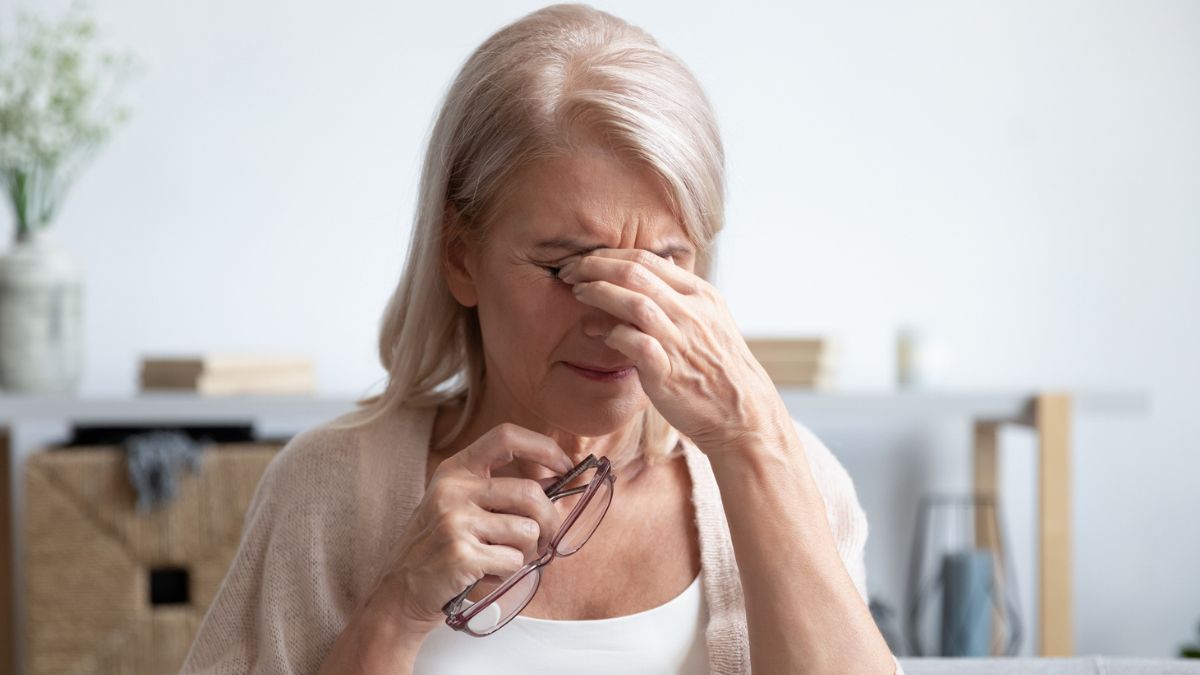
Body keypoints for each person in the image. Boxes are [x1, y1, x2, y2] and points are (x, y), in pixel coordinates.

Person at [181, 4, 905, 674]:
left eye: (664, 265)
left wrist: (753, 442)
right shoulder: (328, 487)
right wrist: (395, 610)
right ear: (460, 256)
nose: (617, 321)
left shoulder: (789, 475)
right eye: (566, 267)